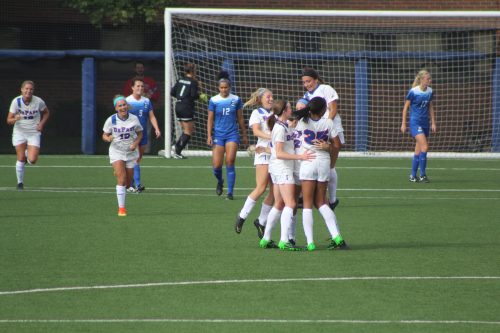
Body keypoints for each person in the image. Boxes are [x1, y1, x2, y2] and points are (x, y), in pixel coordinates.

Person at [259, 100, 315, 251]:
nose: (292, 109)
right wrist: (300, 157)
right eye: (289, 107)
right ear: (284, 111)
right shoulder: (279, 129)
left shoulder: (283, 126)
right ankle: (284, 240)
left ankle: (266, 238)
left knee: (279, 204)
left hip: (278, 169)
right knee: (291, 204)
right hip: (282, 169)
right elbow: (280, 153)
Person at [294, 97, 348, 251]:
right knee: (321, 202)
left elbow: (294, 137)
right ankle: (337, 237)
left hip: (308, 161)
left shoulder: (302, 122)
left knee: (306, 204)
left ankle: (310, 243)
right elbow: (337, 145)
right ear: (324, 110)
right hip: (323, 162)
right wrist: (328, 145)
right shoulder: (328, 122)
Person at [301, 67, 343, 211]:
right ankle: (323, 198)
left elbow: (333, 109)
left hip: (332, 129)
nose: (307, 84)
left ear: (316, 79)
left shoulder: (326, 88)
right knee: (321, 162)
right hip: (319, 131)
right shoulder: (306, 96)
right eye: (304, 82)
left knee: (331, 165)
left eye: (309, 81)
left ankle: (331, 200)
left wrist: (325, 125)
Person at [234, 88, 274, 237]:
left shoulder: (276, 112)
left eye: (272, 96)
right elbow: (256, 132)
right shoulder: (257, 113)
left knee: (276, 192)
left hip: (276, 154)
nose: (271, 99)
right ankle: (242, 216)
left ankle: (261, 221)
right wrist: (272, 137)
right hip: (263, 152)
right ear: (260, 99)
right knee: (261, 187)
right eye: (268, 97)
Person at [207, 75, 248, 200]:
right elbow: (210, 119)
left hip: (232, 134)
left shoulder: (236, 99)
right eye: (222, 87)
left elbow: (240, 118)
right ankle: (220, 180)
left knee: (230, 161)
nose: (224, 90)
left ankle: (230, 193)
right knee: (216, 166)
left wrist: (244, 134)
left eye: (226, 87)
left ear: (230, 87)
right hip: (218, 135)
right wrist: (209, 135)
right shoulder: (214, 100)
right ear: (218, 88)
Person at [102, 95, 143, 216]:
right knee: (121, 179)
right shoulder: (111, 120)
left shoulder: (134, 119)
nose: (123, 107)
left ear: (127, 106)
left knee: (128, 184)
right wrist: (108, 138)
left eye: (124, 104)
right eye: (120, 105)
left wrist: (135, 143)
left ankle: (119, 172)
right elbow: (104, 135)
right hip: (117, 152)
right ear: (116, 108)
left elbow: (140, 134)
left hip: (131, 153)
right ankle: (121, 209)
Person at [7, 80, 50, 190]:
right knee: (20, 158)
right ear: (22, 90)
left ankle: (28, 153)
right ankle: (20, 183)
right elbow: (9, 120)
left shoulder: (38, 101)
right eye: (26, 89)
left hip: (33, 132)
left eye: (30, 89)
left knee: (32, 160)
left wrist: (41, 124)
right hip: (19, 132)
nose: (28, 91)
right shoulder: (16, 102)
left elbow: (46, 112)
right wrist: (15, 118)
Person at [401, 69, 437, 183]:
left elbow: (430, 107)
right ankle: (422, 175)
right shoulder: (413, 91)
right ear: (421, 79)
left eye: (430, 78)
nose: (430, 80)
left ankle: (412, 175)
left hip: (425, 122)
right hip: (415, 122)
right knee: (425, 147)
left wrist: (433, 122)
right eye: (428, 78)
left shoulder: (430, 91)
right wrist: (403, 123)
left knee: (418, 150)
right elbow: (406, 107)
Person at [125, 78, 161, 192]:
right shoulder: (127, 101)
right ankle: (137, 184)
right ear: (132, 87)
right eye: (138, 86)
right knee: (134, 159)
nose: (140, 88)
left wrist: (156, 128)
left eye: (142, 86)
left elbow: (151, 116)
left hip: (143, 135)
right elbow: (122, 118)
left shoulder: (146, 101)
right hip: (131, 135)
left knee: (137, 159)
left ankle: (130, 183)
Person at [170, 62, 208, 159]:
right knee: (188, 131)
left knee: (188, 129)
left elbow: (172, 92)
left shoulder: (180, 80)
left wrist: (181, 97)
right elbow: (193, 95)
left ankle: (176, 147)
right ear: (193, 70)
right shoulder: (193, 82)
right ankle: (177, 152)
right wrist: (200, 96)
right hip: (186, 107)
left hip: (178, 105)